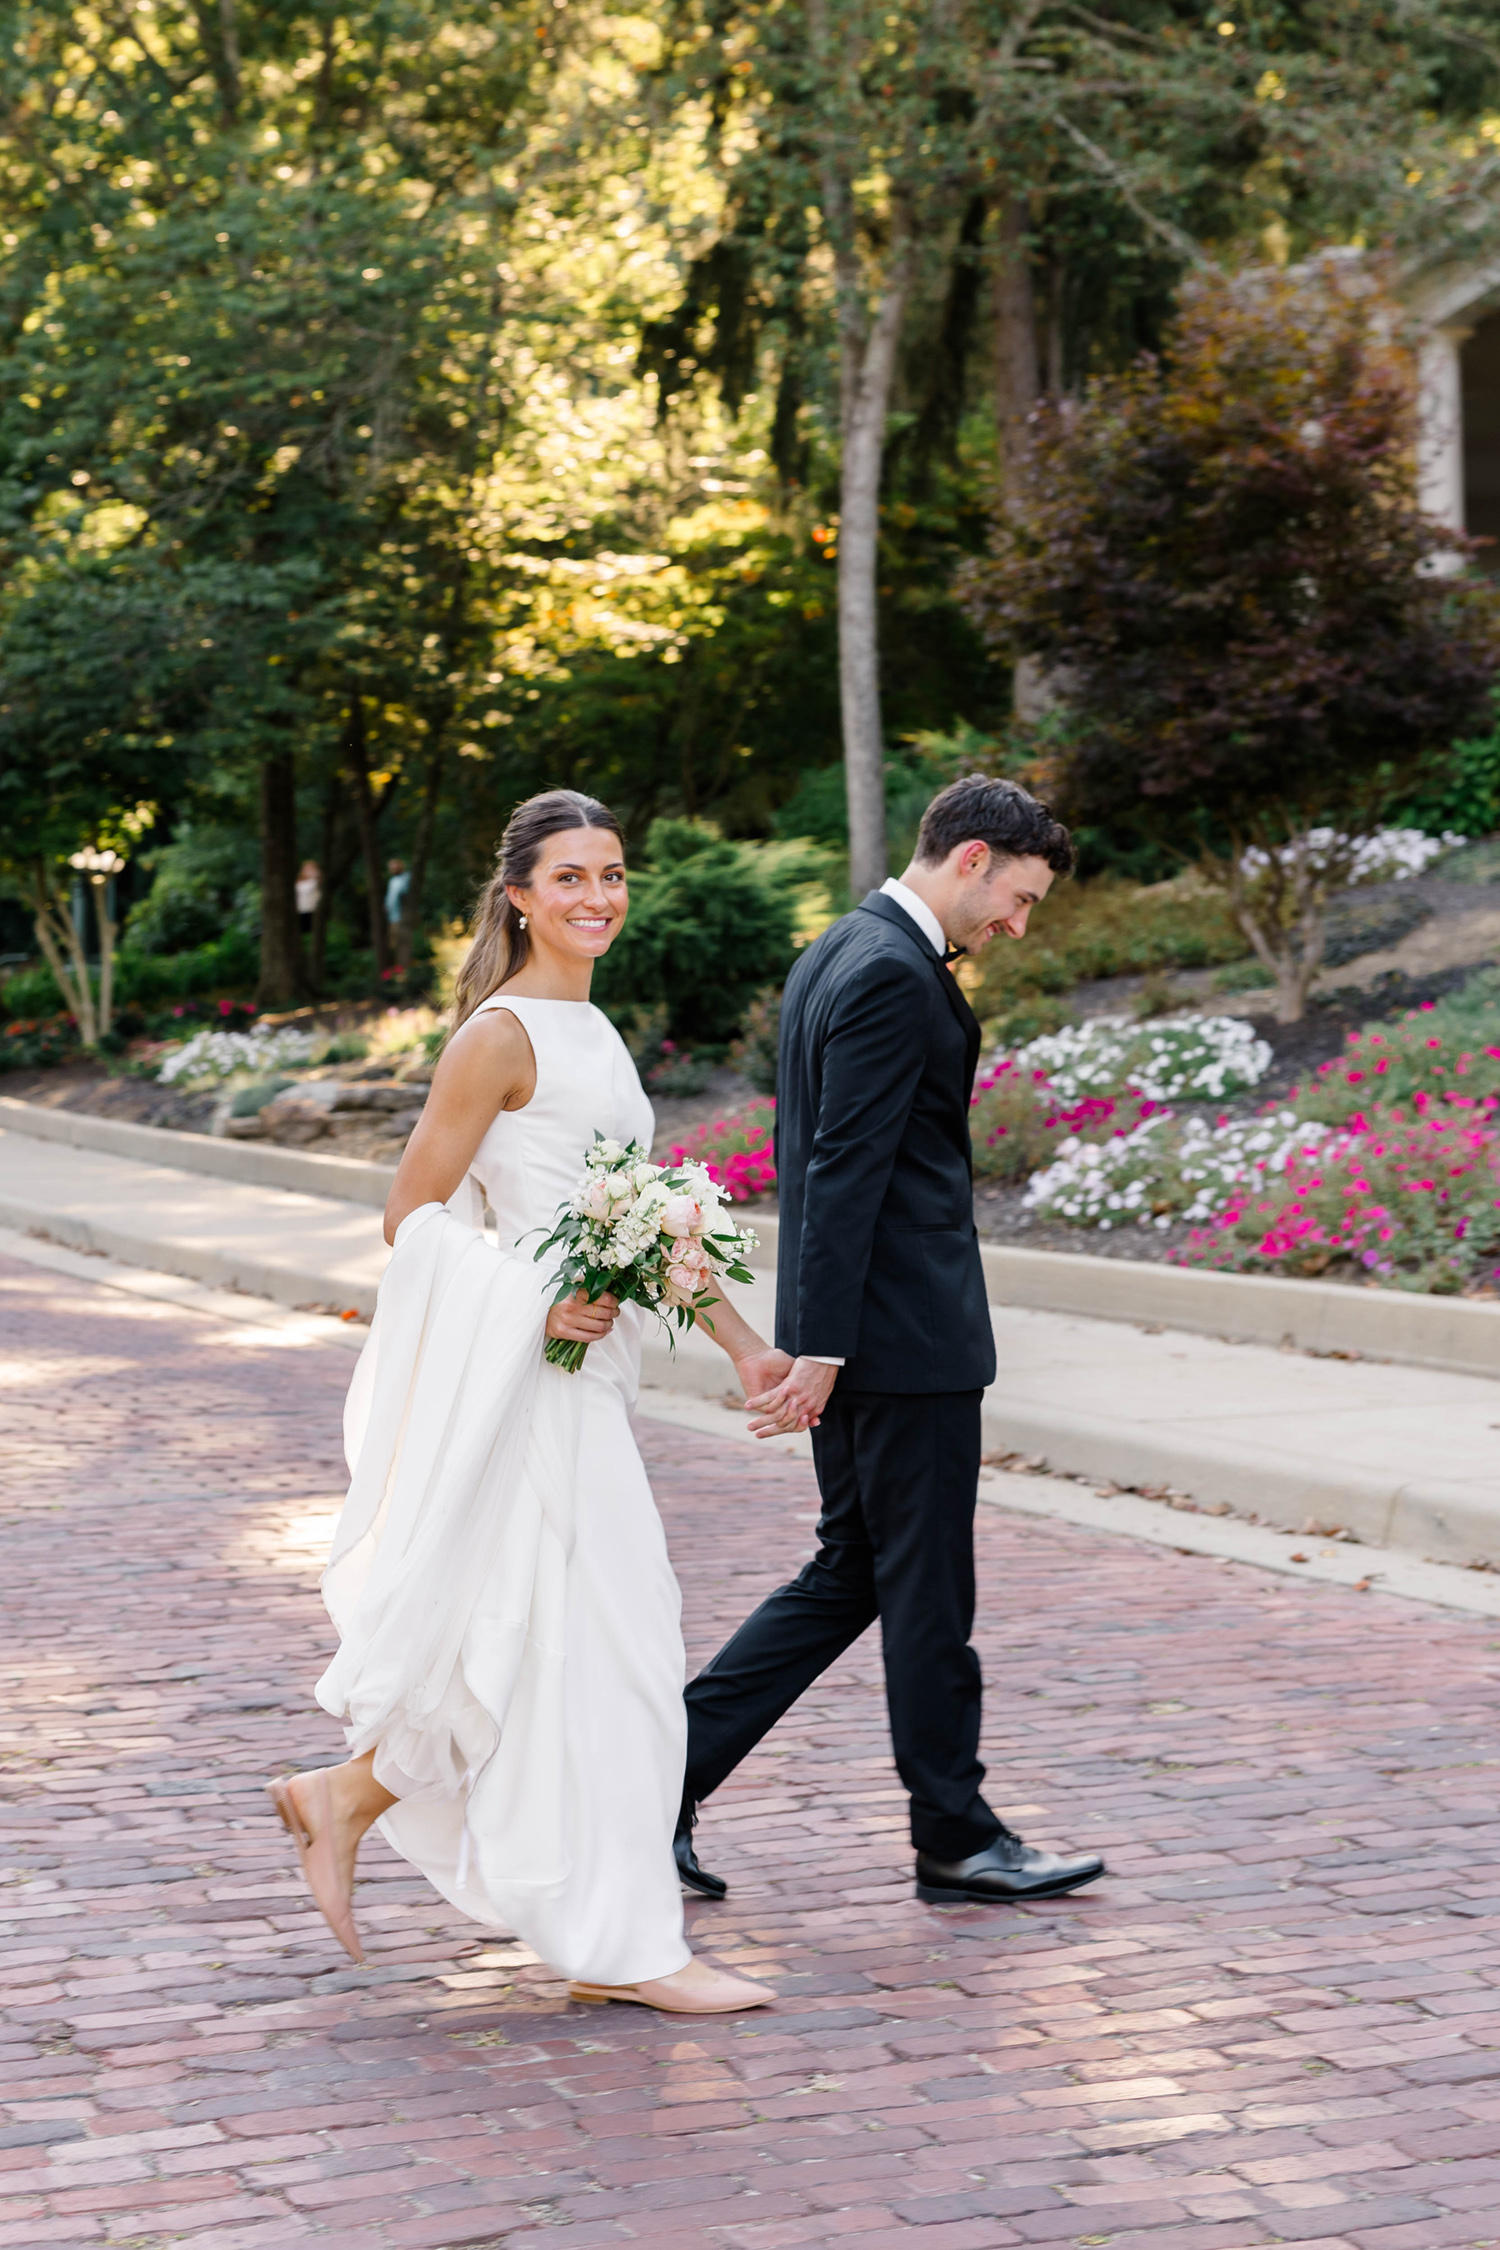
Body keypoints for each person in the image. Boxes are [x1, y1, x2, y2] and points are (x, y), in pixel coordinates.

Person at [267, 789, 786, 2014]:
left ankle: (348, 1799)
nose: (599, 897)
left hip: (591, 1382)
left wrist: (747, 1350)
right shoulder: (498, 1037)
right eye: (570, 878)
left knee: (540, 1640)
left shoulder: (596, 1029)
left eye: (613, 874)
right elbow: (410, 1218)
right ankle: (627, 1946)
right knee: (615, 1649)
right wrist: (538, 1303)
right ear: (518, 896)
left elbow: (643, 1218)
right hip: (535, 1381)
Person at [675, 775, 1108, 1909]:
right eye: (1018, 898)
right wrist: (820, 1348)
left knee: (854, 1571)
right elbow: (841, 1167)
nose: (1018, 925)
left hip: (870, 1329)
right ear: (971, 859)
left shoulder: (838, 949)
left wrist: (821, 1338)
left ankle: (652, 1779)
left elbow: (832, 1157)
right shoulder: (888, 970)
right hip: (901, 1340)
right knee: (928, 1596)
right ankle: (956, 1839)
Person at [295, 860, 321, 936]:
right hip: (301, 911)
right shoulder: (300, 883)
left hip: (312, 911)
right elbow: (304, 889)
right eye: (308, 869)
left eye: (313, 869)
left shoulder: (317, 882)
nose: (311, 871)